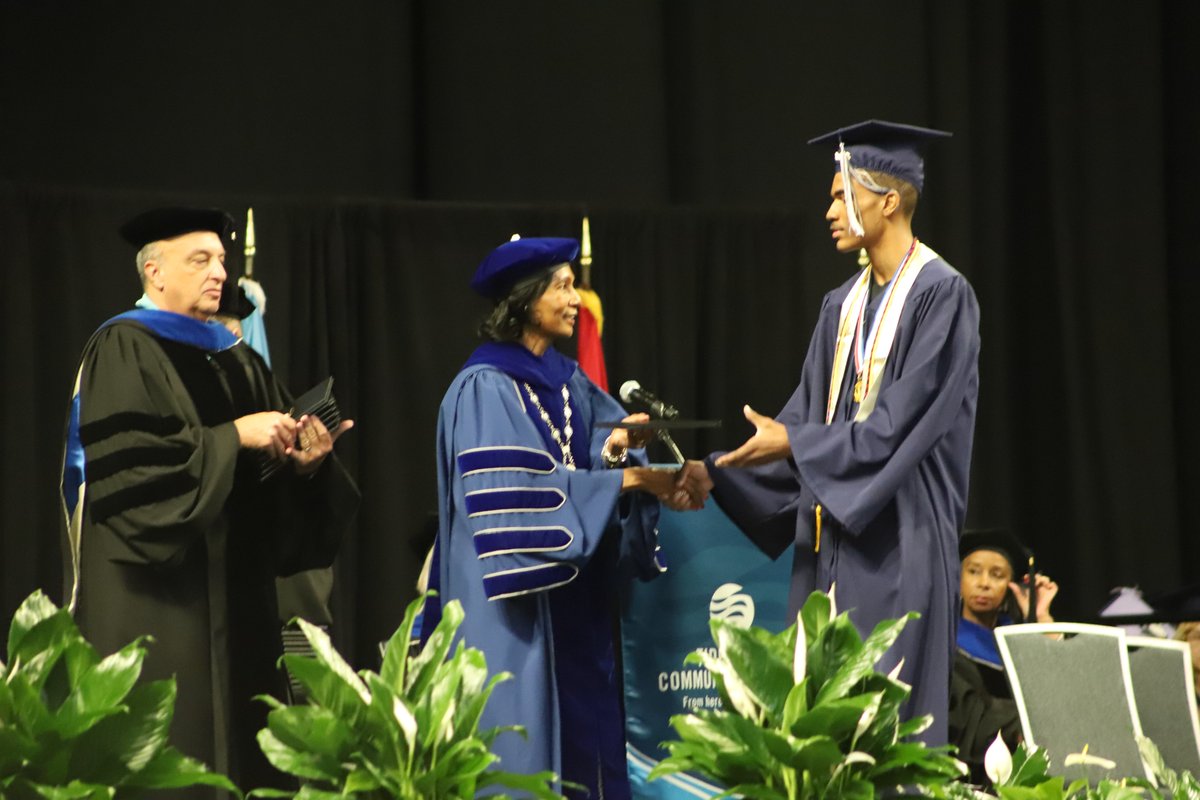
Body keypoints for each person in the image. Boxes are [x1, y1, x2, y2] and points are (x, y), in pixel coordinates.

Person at [675, 120, 981, 746]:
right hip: (829, 545)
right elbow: (802, 424)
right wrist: (718, 470)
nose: (829, 210)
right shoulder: (838, 306)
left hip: (901, 539)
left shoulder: (944, 297)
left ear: (887, 200)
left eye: (842, 194)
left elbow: (899, 426)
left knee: (885, 733)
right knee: (818, 734)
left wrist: (796, 443)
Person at [59, 207, 360, 795]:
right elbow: (135, 480)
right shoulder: (123, 346)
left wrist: (303, 463)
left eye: (221, 259)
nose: (220, 272)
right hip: (164, 601)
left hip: (242, 598)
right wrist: (234, 436)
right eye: (200, 260)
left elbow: (263, 486)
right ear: (155, 272)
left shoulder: (236, 356)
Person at [429, 236, 685, 799]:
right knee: (523, 761)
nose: (576, 298)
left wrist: (620, 451)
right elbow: (518, 502)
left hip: (577, 603)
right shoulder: (483, 388)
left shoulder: (569, 382)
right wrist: (629, 480)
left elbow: (593, 457)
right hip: (518, 614)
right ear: (525, 300)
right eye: (563, 287)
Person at [949, 528, 1057, 781]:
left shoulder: (1020, 640)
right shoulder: (945, 642)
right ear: (958, 578)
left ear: (1011, 585)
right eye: (973, 571)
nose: (984, 583)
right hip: (970, 772)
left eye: (997, 575)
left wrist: (1042, 617)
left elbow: (1057, 696)